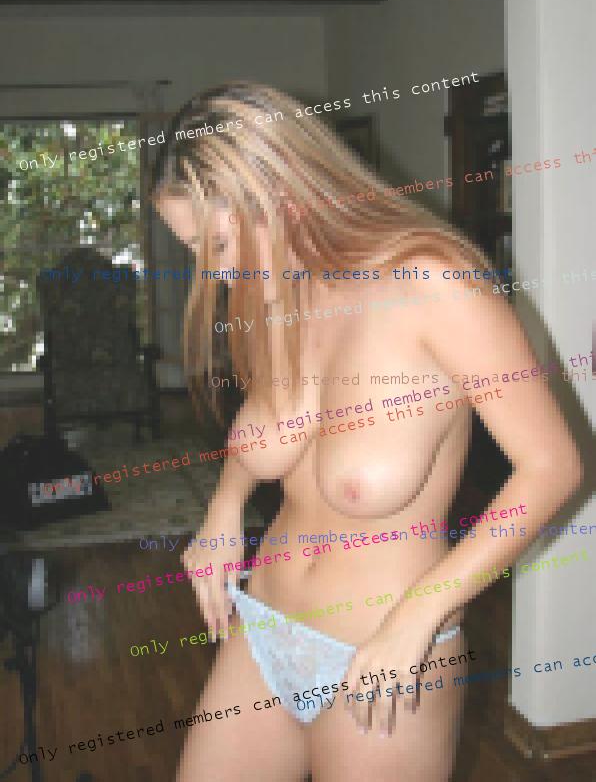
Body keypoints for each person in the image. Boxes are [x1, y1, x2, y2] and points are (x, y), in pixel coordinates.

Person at [152, 82, 582, 782]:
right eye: (197, 250)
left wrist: (421, 615)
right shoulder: (273, 291)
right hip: (263, 627)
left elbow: (552, 466)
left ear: (277, 191)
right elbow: (263, 425)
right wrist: (223, 510)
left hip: (384, 649)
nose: (215, 271)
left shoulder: (432, 285)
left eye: (217, 243)